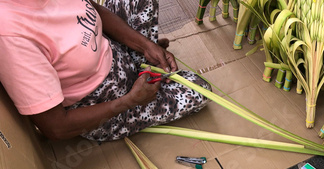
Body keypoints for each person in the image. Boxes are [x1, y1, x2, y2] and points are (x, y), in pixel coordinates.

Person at [0, 0, 211, 142]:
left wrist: (145, 45)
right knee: (200, 90)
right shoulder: (9, 34)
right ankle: (134, 110)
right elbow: (56, 127)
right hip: (106, 104)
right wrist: (130, 101)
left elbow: (91, 9)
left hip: (114, 49)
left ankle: (142, 62)